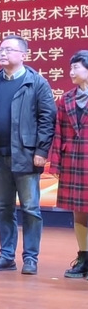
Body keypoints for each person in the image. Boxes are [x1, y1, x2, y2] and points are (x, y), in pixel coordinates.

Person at [0, 35, 56, 275]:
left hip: (27, 156)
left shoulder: (36, 82)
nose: (2, 53)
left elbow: (47, 119)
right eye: (0, 49)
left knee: (31, 209)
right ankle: (6, 256)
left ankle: (30, 258)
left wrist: (41, 150)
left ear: (23, 55)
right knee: (4, 208)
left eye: (8, 49)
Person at [48, 50, 88, 278]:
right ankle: (83, 258)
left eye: (76, 68)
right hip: (74, 160)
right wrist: (55, 165)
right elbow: (59, 132)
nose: (71, 72)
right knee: (79, 212)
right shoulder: (66, 99)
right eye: (70, 68)